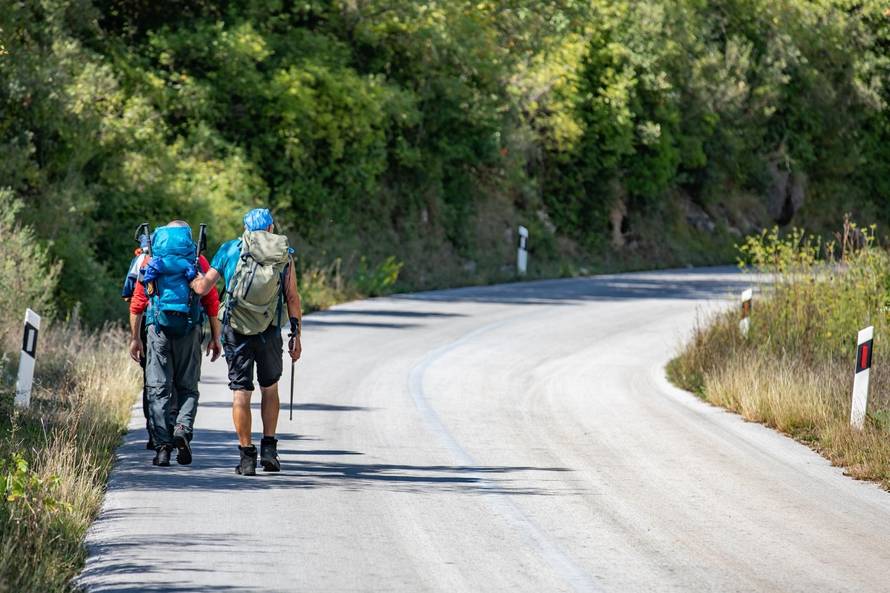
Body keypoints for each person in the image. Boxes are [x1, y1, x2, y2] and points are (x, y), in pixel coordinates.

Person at [190, 208, 302, 476]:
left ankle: (246, 457)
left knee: (241, 392)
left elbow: (205, 288)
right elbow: (292, 297)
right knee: (270, 388)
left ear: (246, 229)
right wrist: (296, 335)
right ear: (271, 229)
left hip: (236, 329)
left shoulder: (231, 249)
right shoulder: (283, 255)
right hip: (269, 329)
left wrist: (194, 280)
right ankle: (270, 450)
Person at [129, 221, 222, 467]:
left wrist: (135, 338)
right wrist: (215, 336)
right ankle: (182, 427)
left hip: (157, 329)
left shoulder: (152, 261)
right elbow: (211, 300)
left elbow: (138, 302)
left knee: (157, 389)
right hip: (189, 329)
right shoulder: (196, 261)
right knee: (188, 387)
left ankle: (162, 448)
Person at [122, 234, 153, 450]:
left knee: (151, 380)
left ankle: (154, 433)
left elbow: (128, 296)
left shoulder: (140, 260)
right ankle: (175, 428)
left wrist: (135, 336)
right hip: (181, 327)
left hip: (146, 326)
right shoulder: (184, 256)